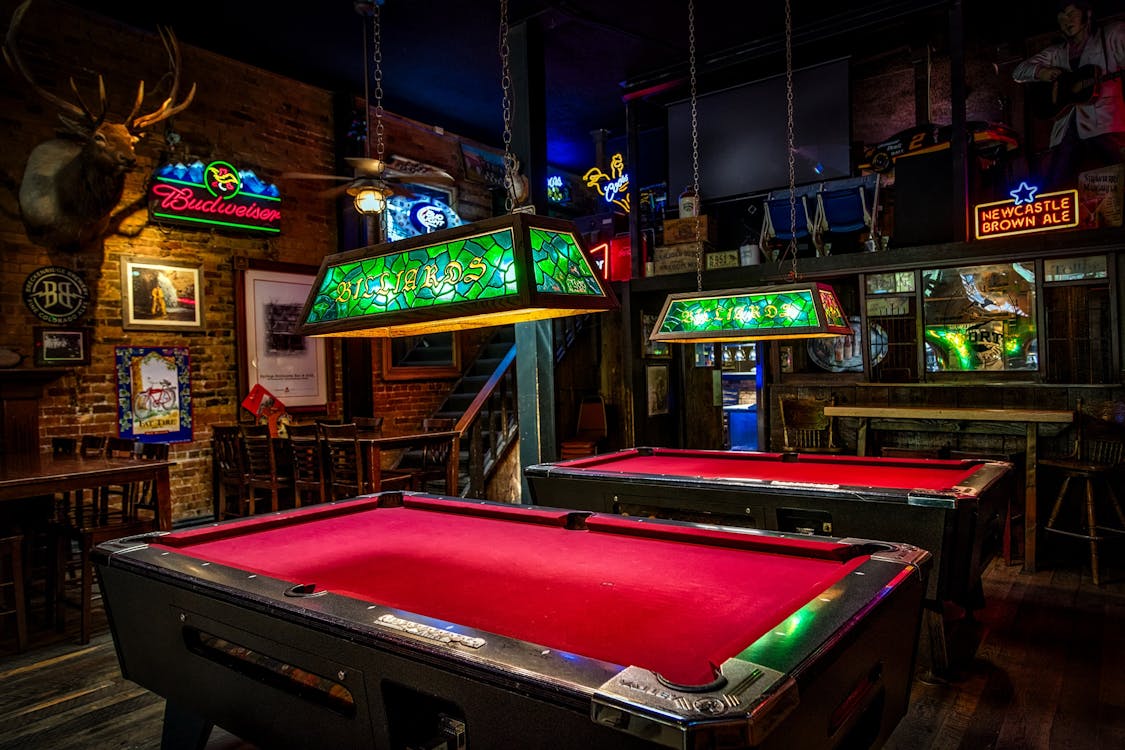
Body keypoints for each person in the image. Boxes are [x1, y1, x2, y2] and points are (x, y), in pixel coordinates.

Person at [1012, 1, 1125, 189]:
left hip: (1105, 124)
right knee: (1056, 184)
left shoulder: (1112, 35)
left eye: (1071, 14)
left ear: (1087, 15)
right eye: (1061, 18)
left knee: (1116, 172)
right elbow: (1018, 71)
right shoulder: (1057, 53)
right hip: (1066, 129)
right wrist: (1041, 72)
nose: (1067, 21)